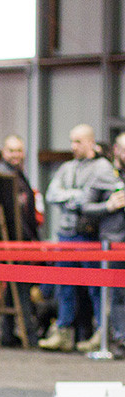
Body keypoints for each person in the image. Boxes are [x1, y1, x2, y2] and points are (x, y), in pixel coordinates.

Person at [41, 124, 116, 351]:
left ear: (91, 143)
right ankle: (63, 331)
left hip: (88, 236)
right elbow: (52, 194)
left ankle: (102, 334)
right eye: (72, 141)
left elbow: (101, 198)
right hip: (66, 235)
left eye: (78, 142)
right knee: (64, 285)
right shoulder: (67, 167)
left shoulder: (102, 168)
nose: (73, 146)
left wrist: (80, 201)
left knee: (96, 286)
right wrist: (76, 197)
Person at [0, 134, 42, 347]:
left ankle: (8, 334)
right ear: (4, 152)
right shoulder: (2, 177)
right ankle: (29, 337)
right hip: (12, 242)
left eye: (19, 150)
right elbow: (6, 215)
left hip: (22, 240)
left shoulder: (18, 174)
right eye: (11, 151)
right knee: (20, 289)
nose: (16, 155)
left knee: (16, 289)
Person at [76, 131, 125, 356]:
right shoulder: (103, 173)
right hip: (112, 245)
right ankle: (119, 340)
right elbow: (85, 207)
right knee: (116, 295)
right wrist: (109, 206)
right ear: (116, 150)